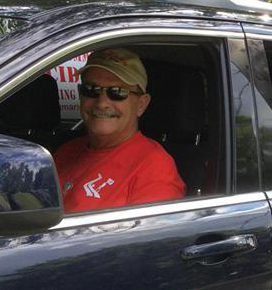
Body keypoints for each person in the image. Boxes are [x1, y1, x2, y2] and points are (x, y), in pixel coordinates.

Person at [54, 47, 185, 212]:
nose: (102, 103)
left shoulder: (154, 168)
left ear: (141, 104)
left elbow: (149, 236)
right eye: (91, 90)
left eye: (117, 92)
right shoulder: (66, 151)